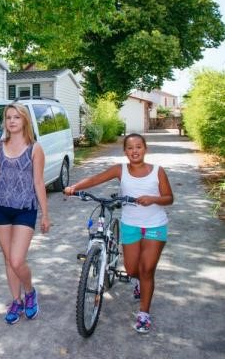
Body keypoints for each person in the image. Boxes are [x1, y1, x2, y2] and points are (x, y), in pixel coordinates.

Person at [64, 133, 173, 333]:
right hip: (130, 225)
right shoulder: (120, 170)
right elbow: (96, 178)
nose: (135, 151)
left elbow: (169, 198)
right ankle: (139, 283)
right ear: (125, 152)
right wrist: (74, 187)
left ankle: (143, 314)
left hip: (155, 226)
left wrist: (153, 199)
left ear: (145, 149)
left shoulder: (158, 171)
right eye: (130, 148)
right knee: (132, 270)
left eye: (138, 147)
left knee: (147, 269)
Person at [0, 103, 50, 325]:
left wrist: (45, 214)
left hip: (25, 209)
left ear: (25, 121)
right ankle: (16, 300)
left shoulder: (35, 148)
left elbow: (39, 182)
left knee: (17, 259)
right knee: (8, 260)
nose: (12, 121)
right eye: (9, 117)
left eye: (16, 117)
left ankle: (29, 292)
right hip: (1, 207)